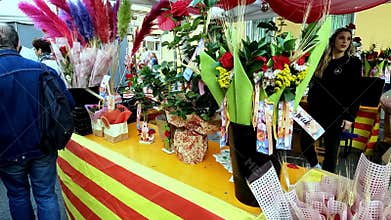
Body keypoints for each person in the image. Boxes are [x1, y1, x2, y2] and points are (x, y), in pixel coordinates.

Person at [0, 23, 73, 219]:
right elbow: (68, 103)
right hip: (43, 146)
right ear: (17, 45)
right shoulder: (42, 70)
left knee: (17, 196)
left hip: (6, 152)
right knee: (46, 195)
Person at [300, 27, 362, 173]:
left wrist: (349, 117)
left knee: (331, 152)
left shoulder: (353, 63)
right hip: (316, 110)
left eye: (348, 39)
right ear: (334, 40)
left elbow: (355, 92)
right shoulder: (322, 60)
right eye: (341, 38)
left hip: (336, 114)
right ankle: (316, 167)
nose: (345, 42)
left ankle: (328, 182)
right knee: (305, 142)